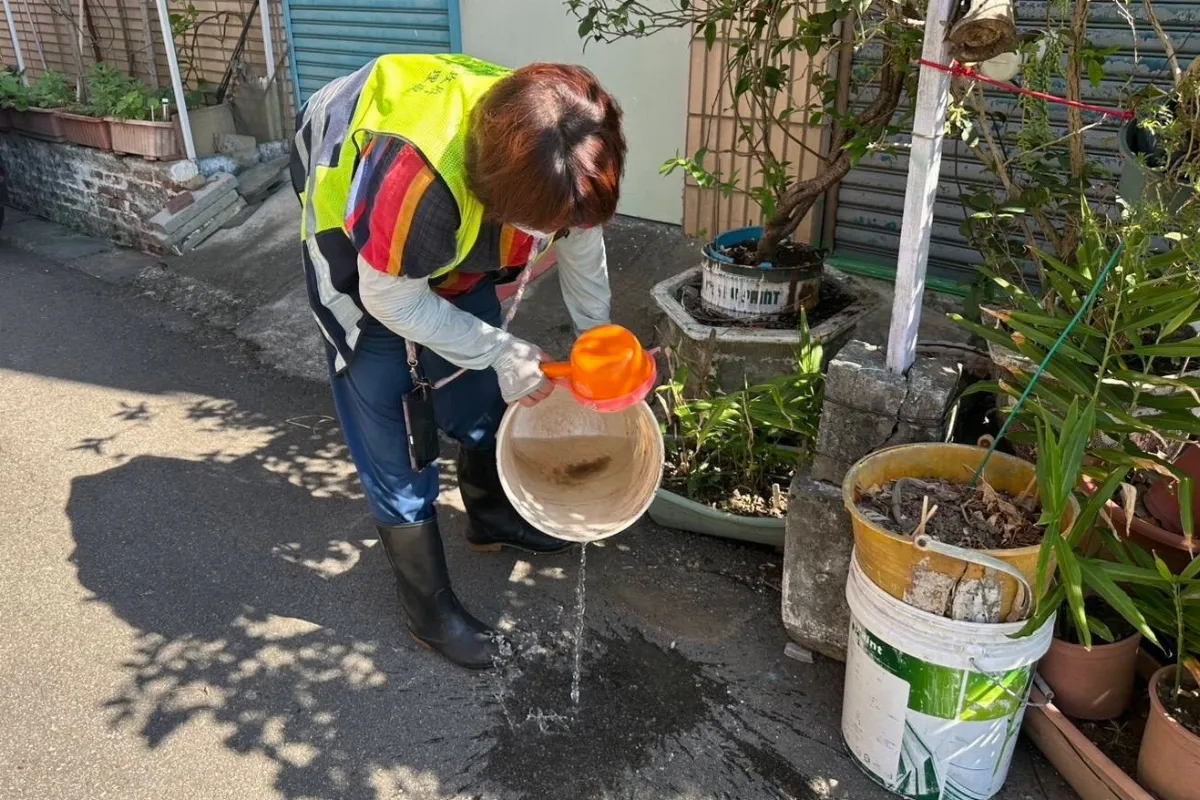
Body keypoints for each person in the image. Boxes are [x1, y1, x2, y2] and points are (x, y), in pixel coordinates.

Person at [290, 54, 626, 671]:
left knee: (480, 378)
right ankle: (429, 608)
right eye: (544, 226)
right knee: (389, 397)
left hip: (461, 205)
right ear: (497, 193)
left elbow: (579, 235)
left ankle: (491, 515)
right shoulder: (416, 178)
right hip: (355, 201)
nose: (557, 236)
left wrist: (596, 339)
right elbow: (387, 295)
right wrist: (498, 349)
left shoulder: (559, 140)